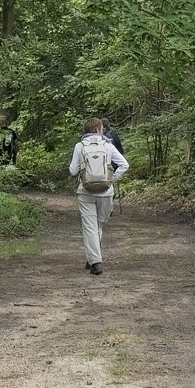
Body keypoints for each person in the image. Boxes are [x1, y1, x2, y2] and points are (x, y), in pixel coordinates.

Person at [67, 118, 128, 276]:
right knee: (98, 226)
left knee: (90, 227)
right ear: (98, 129)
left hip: (85, 192)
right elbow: (124, 165)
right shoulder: (108, 146)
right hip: (106, 192)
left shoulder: (79, 146)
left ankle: (94, 259)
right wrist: (111, 179)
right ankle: (95, 261)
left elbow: (73, 171)